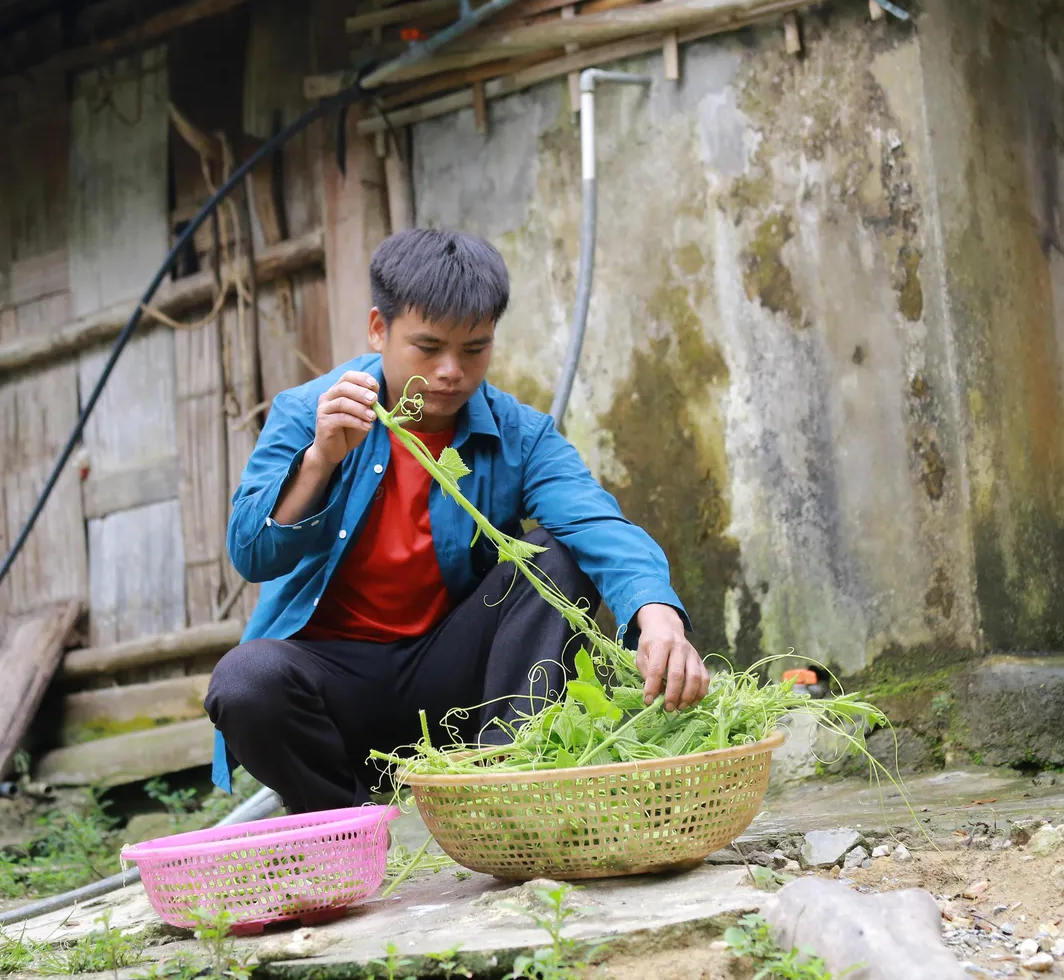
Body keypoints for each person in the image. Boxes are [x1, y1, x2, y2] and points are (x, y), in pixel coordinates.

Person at [205, 228, 708, 813]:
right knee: (246, 682)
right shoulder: (310, 412)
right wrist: (320, 460)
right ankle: (349, 828)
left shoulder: (519, 434)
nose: (451, 371)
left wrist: (657, 616)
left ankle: (505, 789)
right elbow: (251, 554)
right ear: (379, 329)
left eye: (474, 350)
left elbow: (598, 524)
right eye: (428, 347)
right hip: (336, 689)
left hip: (457, 684)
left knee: (558, 555)